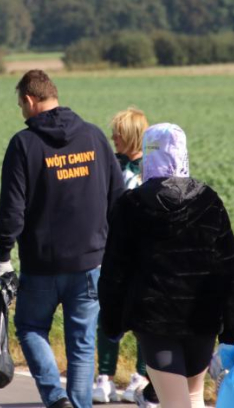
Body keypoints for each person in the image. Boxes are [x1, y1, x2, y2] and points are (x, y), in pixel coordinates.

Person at [0, 69, 124, 408]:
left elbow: (12, 208)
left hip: (41, 266)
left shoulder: (23, 144)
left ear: (29, 100)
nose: (22, 113)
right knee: (81, 344)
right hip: (90, 263)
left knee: (30, 327)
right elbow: (118, 200)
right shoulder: (94, 137)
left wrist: (2, 256)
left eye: (21, 106)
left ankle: (56, 398)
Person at [98, 123, 234, 408]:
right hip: (203, 319)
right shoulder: (208, 200)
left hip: (155, 323)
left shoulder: (131, 205)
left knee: (174, 403)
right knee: (193, 397)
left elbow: (115, 272)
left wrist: (112, 322)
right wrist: (232, 326)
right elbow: (231, 269)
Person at [93, 107, 153, 404]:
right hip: (111, 251)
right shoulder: (110, 164)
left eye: (118, 132)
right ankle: (104, 376)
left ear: (131, 135)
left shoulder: (152, 168)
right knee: (107, 314)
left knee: (142, 319)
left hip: (143, 255)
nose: (113, 137)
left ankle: (140, 376)